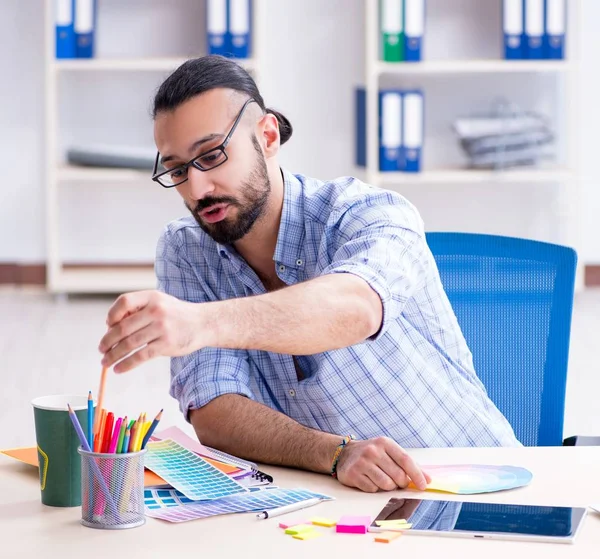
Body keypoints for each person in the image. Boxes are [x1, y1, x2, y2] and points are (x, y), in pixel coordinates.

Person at [98, 55, 520, 494]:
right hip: (342, 505)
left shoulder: (369, 212)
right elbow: (214, 408)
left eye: (212, 156)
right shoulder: (186, 248)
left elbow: (355, 308)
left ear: (267, 137)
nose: (197, 189)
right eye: (178, 170)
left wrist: (201, 323)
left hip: (479, 483)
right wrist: (335, 454)